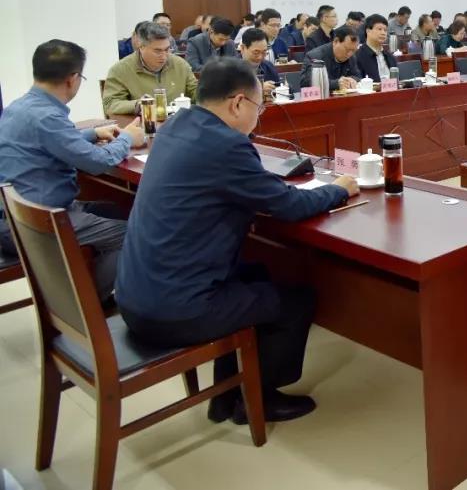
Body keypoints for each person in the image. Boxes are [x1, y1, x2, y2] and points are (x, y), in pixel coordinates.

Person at [116, 58, 359, 425]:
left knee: (258, 273)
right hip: (175, 310)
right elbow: (290, 206)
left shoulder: (175, 125)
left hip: (135, 295)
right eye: (258, 108)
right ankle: (257, 400)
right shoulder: (227, 146)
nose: (258, 117)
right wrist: (338, 189)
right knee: (296, 301)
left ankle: (227, 395)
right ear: (237, 103)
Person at [0, 40, 145, 300]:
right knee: (132, 236)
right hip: (40, 220)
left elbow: (49, 140)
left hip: (18, 214)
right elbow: (96, 162)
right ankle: (87, 303)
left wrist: (92, 133)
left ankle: (107, 285)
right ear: (72, 79)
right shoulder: (48, 116)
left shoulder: (20, 107)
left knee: (118, 209)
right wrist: (127, 138)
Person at [103, 22, 199, 115]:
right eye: (157, 51)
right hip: (143, 122)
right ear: (141, 47)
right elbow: (110, 104)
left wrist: (205, 94)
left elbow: (195, 92)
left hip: (178, 121)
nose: (164, 56)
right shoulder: (121, 69)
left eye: (167, 49)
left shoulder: (180, 65)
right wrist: (136, 105)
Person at [300, 26, 363, 90]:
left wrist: (352, 80)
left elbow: (357, 76)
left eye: (353, 50)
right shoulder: (315, 57)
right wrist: (336, 84)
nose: (349, 54)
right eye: (347, 49)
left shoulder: (351, 57)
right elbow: (307, 82)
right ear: (336, 41)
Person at [356, 14, 398, 81]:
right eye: (379, 29)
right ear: (368, 31)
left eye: (385, 30)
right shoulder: (358, 56)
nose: (383, 33)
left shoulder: (390, 57)